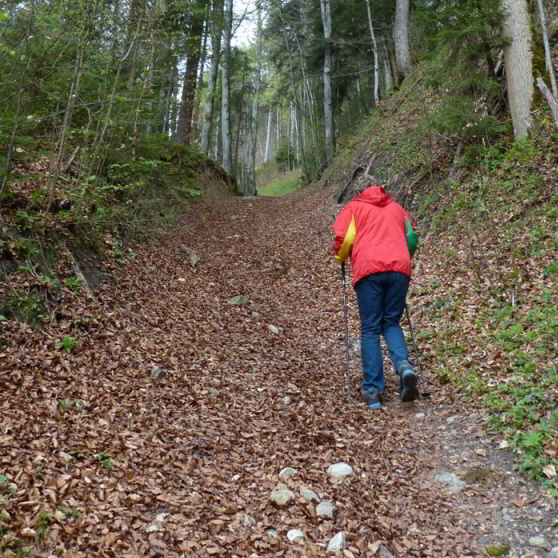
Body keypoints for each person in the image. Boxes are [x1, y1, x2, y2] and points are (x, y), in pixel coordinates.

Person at [332, 181, 419, 409]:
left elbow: (345, 238)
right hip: (399, 268)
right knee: (391, 322)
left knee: (370, 327)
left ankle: (373, 391)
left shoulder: (354, 208)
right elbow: (411, 238)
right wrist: (403, 256)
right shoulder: (397, 208)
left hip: (369, 270)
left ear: (360, 193)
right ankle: (404, 367)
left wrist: (340, 257)